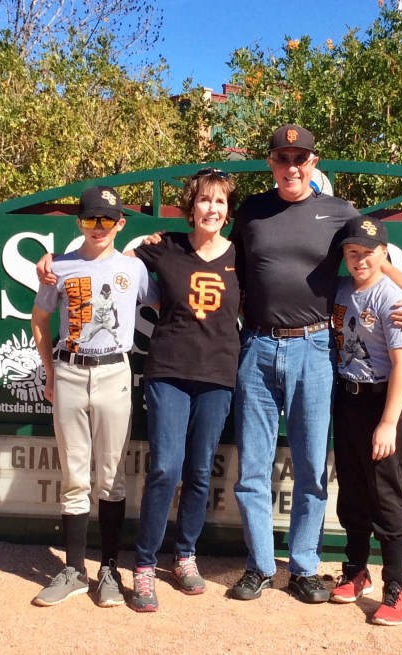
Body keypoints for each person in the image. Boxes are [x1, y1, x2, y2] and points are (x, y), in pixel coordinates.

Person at [227, 124, 402, 604]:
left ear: (314, 163)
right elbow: (218, 260)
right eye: (281, 158)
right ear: (270, 163)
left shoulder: (339, 213)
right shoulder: (252, 210)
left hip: (314, 348)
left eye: (300, 158)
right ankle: (258, 566)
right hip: (255, 346)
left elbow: (373, 254)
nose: (291, 167)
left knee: (312, 469)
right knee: (253, 467)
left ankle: (303, 568)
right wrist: (144, 247)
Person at [30, 185, 158, 608]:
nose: (99, 227)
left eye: (107, 220)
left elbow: (164, 301)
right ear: (79, 222)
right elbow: (40, 319)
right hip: (69, 370)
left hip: (114, 373)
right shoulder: (59, 268)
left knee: (111, 479)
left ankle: (107, 568)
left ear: (121, 224)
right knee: (74, 478)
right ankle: (72, 569)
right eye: (90, 219)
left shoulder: (133, 269)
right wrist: (49, 373)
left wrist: (159, 247)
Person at [127, 168, 241, 612]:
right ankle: (143, 564)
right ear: (191, 205)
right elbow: (121, 263)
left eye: (220, 203)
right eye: (204, 201)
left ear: (227, 212)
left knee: (198, 472)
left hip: (217, 375)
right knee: (165, 470)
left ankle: (185, 556)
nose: (211, 209)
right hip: (168, 371)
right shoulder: (166, 247)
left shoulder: (240, 257)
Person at [328, 216, 402, 626]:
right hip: (348, 397)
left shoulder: (393, 298)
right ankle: (356, 570)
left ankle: (395, 588)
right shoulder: (342, 288)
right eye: (352, 252)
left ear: (384, 253)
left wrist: (388, 423)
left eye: (369, 252)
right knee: (353, 490)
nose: (360, 260)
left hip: (383, 402)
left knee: (386, 496)